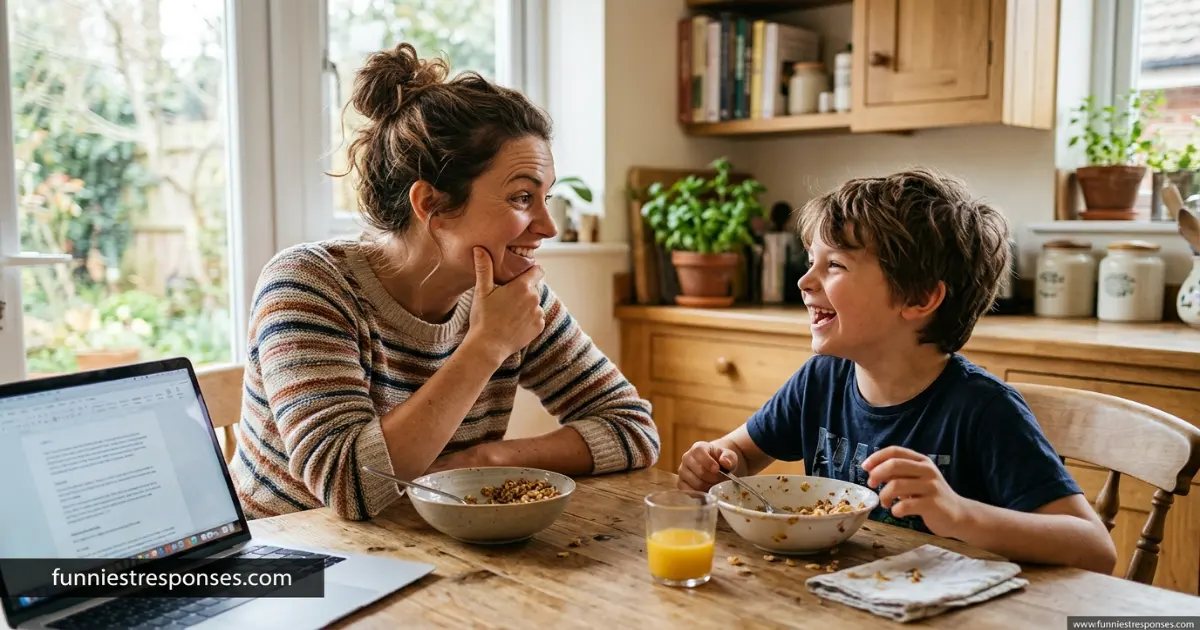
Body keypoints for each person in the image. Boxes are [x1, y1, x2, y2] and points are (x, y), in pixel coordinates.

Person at [229, 43, 658, 521]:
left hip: (423, 549)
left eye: (546, 198)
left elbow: (633, 428)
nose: (547, 226)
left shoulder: (514, 298)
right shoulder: (308, 285)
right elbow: (349, 483)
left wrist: (483, 460)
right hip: (287, 567)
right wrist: (487, 344)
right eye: (521, 198)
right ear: (430, 204)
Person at [676, 169, 1117, 574]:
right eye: (811, 259)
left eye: (834, 265)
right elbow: (744, 454)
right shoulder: (823, 378)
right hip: (832, 593)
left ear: (920, 299)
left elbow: (1095, 549)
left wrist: (958, 513)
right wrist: (716, 462)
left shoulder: (984, 411)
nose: (805, 280)